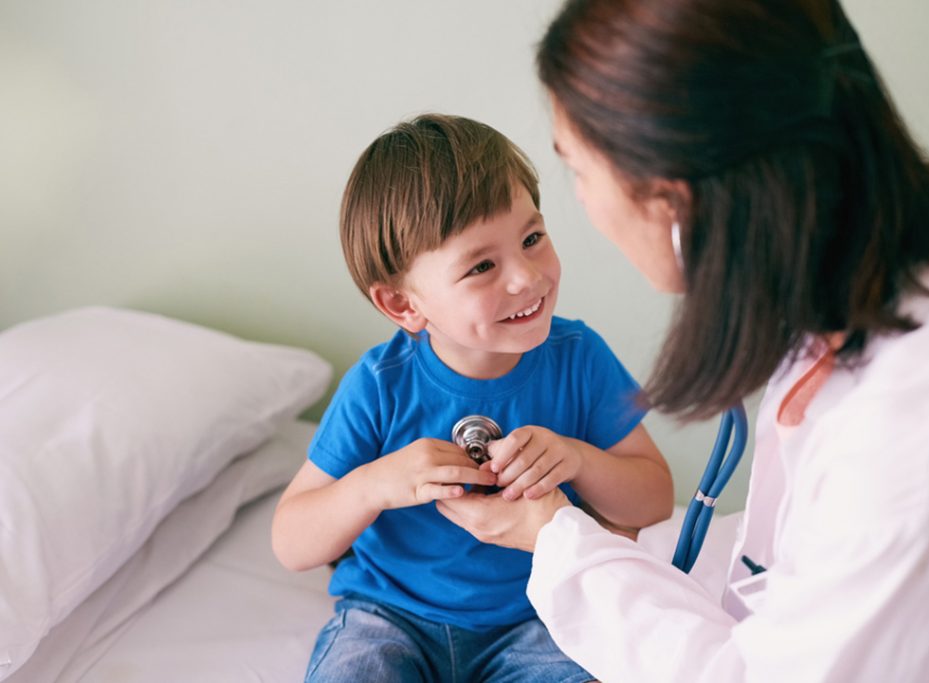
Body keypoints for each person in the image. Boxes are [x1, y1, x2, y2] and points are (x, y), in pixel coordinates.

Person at [436, 0, 929, 680]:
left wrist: (554, 537)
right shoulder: (890, 282)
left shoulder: (908, 475)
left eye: (577, 170)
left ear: (674, 202)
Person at [271, 113, 673, 682]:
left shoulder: (579, 357)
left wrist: (580, 460)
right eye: (482, 266)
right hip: (391, 617)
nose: (527, 277)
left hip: (539, 615)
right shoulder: (380, 385)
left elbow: (654, 498)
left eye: (532, 238)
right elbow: (291, 542)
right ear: (404, 306)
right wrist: (375, 485)